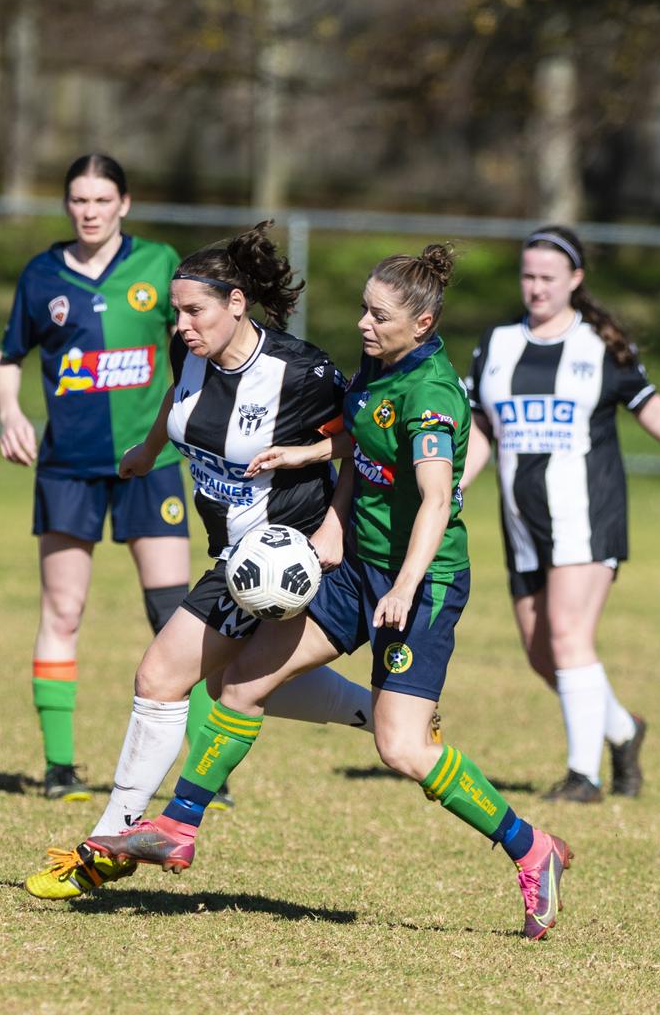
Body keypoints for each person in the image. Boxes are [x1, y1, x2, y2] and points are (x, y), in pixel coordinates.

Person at [83, 244, 572, 941]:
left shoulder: (430, 396)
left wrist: (403, 585)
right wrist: (325, 493)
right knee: (244, 682)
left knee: (402, 749)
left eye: (378, 314)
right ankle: (179, 827)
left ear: (423, 325)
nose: (363, 324)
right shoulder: (378, 367)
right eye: (363, 309)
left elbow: (436, 500)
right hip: (356, 568)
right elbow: (362, 448)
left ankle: (531, 848)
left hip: (421, 582)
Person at [24, 221, 376, 900]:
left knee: (162, 676)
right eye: (177, 310)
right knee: (232, 687)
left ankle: (107, 845)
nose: (181, 323)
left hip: (288, 557)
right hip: (234, 557)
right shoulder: (190, 353)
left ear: (237, 303)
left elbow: (365, 444)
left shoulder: (300, 373)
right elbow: (176, 403)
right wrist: (150, 448)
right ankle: (379, 712)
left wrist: (330, 521)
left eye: (195, 310)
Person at [460, 225, 660, 802]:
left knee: (567, 635)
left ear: (575, 280)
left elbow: (651, 408)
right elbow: (482, 428)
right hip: (522, 523)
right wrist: (452, 486)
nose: (535, 288)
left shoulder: (599, 346)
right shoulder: (498, 344)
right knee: (543, 655)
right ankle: (623, 729)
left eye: (548, 278)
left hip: (588, 515)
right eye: (528, 276)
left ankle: (583, 775)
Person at [0, 153, 192, 801]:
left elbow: (202, 339)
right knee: (64, 609)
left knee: (177, 615)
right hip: (68, 468)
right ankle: (59, 768)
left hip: (151, 463)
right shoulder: (41, 274)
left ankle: (200, 774)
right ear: (67, 206)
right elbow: (7, 357)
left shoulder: (159, 265)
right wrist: (9, 413)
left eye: (102, 200)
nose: (90, 211)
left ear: (124, 205)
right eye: (79, 200)